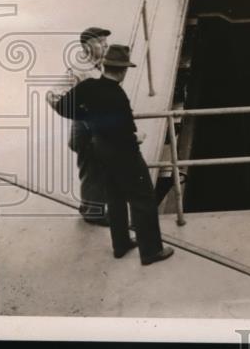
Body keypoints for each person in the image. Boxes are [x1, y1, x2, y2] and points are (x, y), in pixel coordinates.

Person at [47, 44, 174, 265]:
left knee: (114, 196)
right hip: (124, 154)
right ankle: (151, 251)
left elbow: (62, 107)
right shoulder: (118, 96)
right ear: (123, 70)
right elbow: (125, 133)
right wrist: (138, 136)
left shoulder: (87, 86)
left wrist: (87, 116)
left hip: (99, 149)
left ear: (105, 65)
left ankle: (121, 244)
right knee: (142, 198)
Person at [65, 27, 111, 225]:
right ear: (86, 46)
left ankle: (89, 208)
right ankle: (94, 213)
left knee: (93, 170)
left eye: (106, 42)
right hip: (86, 129)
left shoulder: (95, 67)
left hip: (92, 128)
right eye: (100, 42)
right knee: (94, 170)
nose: (105, 45)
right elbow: (56, 95)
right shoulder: (80, 70)